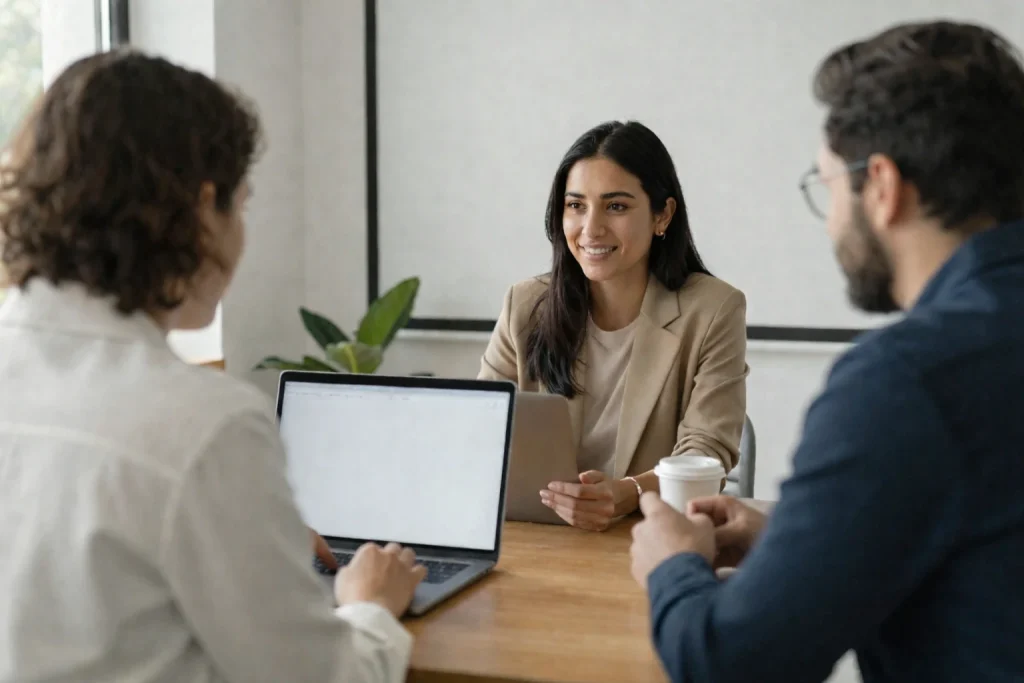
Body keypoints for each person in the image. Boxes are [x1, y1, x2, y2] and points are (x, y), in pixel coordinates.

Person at [0, 51, 425, 683]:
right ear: (204, 209)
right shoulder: (203, 425)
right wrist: (369, 605)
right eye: (243, 205)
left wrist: (252, 528)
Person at [629, 20, 1024, 683]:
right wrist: (802, 547)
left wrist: (672, 565)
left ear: (883, 186)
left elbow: (728, 663)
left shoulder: (904, 381)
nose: (834, 219)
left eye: (827, 185)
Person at [479, 121, 748, 531]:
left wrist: (628, 492)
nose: (591, 229)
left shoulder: (713, 309)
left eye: (616, 206)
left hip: (646, 536)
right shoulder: (525, 305)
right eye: (576, 205)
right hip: (536, 538)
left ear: (663, 215)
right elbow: (480, 430)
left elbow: (705, 453)